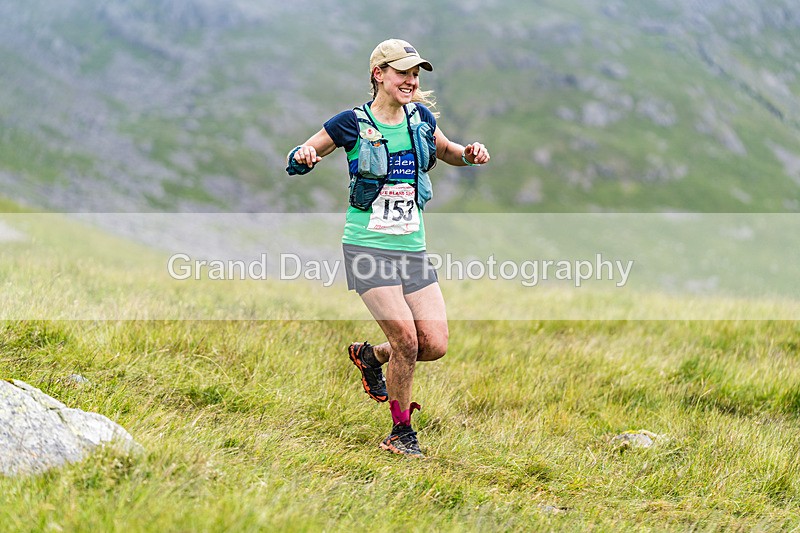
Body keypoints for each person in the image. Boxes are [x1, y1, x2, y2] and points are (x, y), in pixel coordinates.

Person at [286, 38, 490, 457]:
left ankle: (369, 356)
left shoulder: (421, 119)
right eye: (403, 72)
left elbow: (448, 152)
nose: (411, 80)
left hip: (411, 250)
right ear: (379, 74)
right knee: (407, 340)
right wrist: (303, 154)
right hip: (367, 248)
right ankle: (400, 432)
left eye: (416, 74)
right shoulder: (351, 123)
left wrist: (469, 154)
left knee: (433, 343)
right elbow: (304, 152)